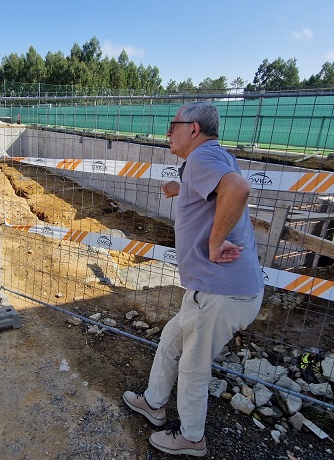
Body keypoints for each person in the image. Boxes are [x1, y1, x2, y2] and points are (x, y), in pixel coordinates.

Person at [122, 102, 264, 457]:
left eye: (173, 125)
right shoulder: (210, 158)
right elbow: (213, 191)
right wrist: (179, 189)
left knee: (193, 366)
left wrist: (214, 244)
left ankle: (192, 438)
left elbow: (237, 189)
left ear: (194, 129)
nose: (168, 132)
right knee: (172, 341)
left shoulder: (202, 160)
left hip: (219, 290)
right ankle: (153, 403)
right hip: (212, 289)